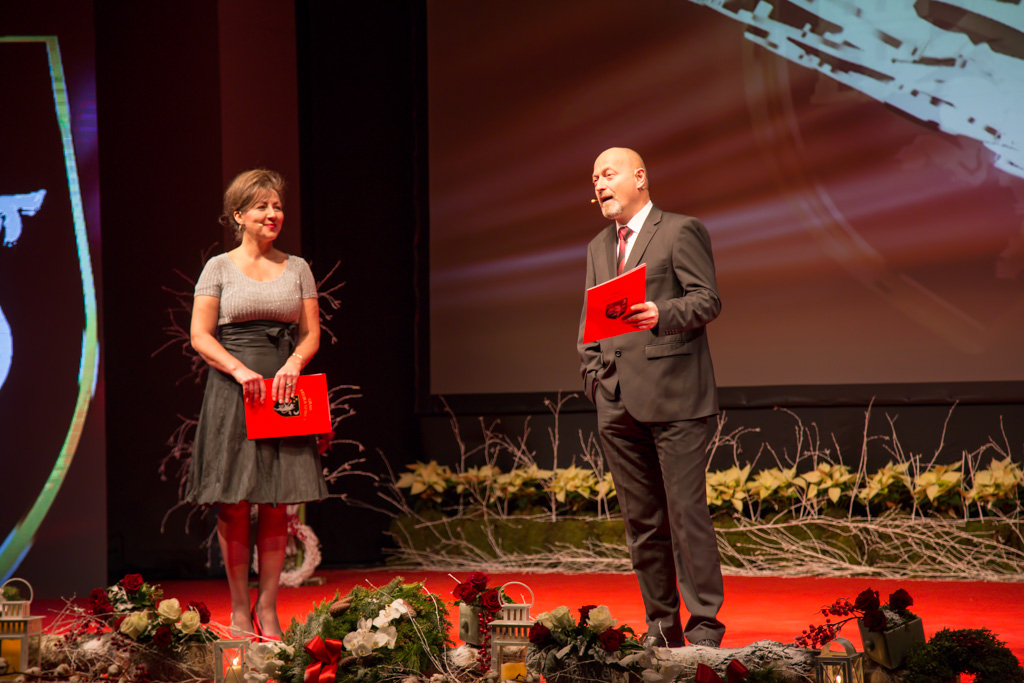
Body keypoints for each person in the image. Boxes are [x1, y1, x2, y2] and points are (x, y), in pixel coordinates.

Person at [577, 148, 725, 648]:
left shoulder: (680, 230)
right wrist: (595, 379)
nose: (599, 183)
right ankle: (662, 628)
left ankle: (704, 630)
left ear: (639, 177)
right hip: (617, 401)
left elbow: (707, 299)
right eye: (594, 178)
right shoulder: (599, 246)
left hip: (675, 395)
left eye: (608, 173)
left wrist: (662, 312)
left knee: (686, 517)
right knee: (642, 524)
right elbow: (589, 325)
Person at [185, 169, 327, 640]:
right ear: (239, 215)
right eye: (262, 206)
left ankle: (268, 607)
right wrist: (240, 370)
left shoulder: (299, 267)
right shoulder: (219, 268)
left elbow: (310, 334)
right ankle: (240, 610)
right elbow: (200, 335)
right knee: (234, 503)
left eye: (278, 206)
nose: (273, 214)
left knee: (276, 503)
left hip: (283, 395)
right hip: (234, 392)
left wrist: (294, 363)